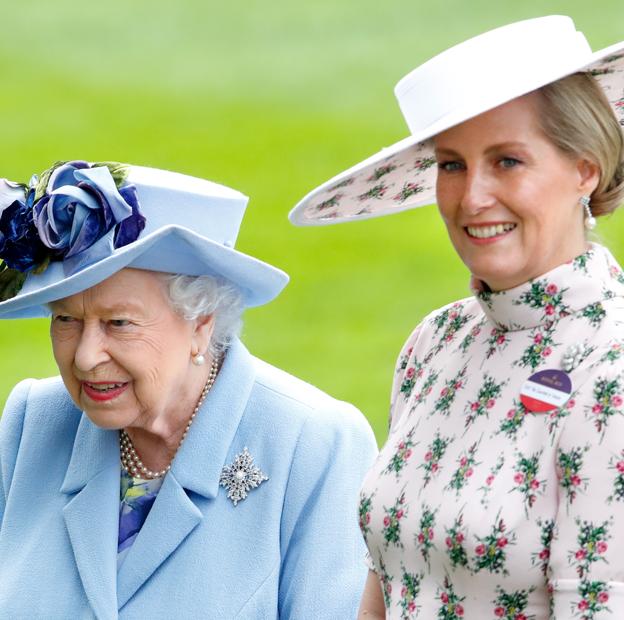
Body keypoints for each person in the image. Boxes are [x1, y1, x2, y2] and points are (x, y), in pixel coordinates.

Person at [290, 15, 624, 619]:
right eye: (452, 165)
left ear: (585, 168)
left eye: (507, 162)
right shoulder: (435, 341)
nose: (472, 198)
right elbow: (387, 581)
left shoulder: (613, 366)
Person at [0, 160, 377, 619]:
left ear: (201, 321)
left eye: (118, 323)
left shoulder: (313, 444)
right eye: (66, 319)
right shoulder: (31, 421)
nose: (84, 356)